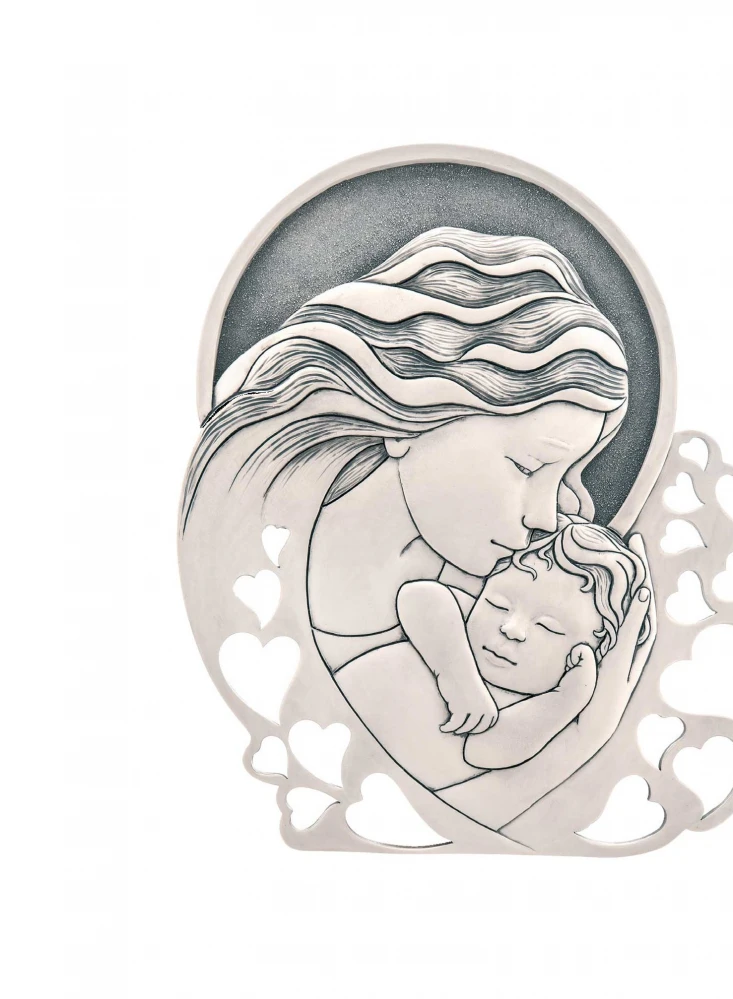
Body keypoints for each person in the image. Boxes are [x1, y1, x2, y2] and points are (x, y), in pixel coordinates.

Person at [179, 226, 654, 832]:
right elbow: (420, 820)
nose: (547, 516)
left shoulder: (498, 593)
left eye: (561, 478)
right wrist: (587, 733)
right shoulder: (262, 579)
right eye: (528, 467)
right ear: (411, 416)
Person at [396, 517, 651, 775]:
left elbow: (481, 751)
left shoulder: (536, 708)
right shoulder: (457, 631)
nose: (511, 629)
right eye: (499, 604)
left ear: (587, 657)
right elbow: (417, 595)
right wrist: (459, 680)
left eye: (547, 627)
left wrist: (564, 701)